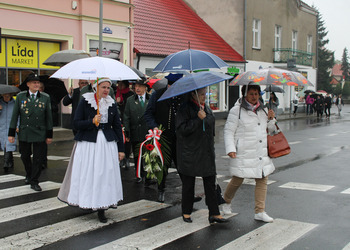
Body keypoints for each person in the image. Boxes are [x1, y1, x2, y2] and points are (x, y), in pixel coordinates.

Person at [58, 78, 125, 223]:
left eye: (108, 88)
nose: (106, 90)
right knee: (89, 174)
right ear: (96, 88)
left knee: (104, 175)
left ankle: (102, 208)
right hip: (88, 144)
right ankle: (88, 201)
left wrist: (121, 149)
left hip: (107, 144)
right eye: (103, 87)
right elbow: (75, 123)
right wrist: (91, 121)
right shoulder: (85, 101)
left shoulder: (111, 103)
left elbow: (118, 127)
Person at [221, 84, 276, 223]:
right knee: (238, 179)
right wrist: (231, 148)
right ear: (245, 94)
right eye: (251, 94)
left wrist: (271, 119)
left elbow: (271, 130)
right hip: (243, 151)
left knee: (262, 178)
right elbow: (228, 131)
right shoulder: (237, 110)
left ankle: (260, 211)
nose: (254, 97)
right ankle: (225, 201)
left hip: (260, 152)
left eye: (256, 94)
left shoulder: (263, 110)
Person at [176, 87, 228, 224]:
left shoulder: (206, 108)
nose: (205, 96)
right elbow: (182, 130)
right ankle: (186, 212)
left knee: (210, 182)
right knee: (189, 184)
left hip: (206, 151)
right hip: (190, 152)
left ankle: (214, 213)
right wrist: (198, 120)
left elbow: (210, 126)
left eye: (205, 94)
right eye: (202, 94)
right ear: (193, 94)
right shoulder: (184, 109)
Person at [144, 73, 187, 202]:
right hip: (163, 137)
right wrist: (154, 127)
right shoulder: (158, 94)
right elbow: (148, 114)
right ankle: (161, 190)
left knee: (183, 166)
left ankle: (188, 192)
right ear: (168, 84)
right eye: (172, 86)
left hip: (180, 137)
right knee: (163, 165)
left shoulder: (185, 95)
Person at [8, 73, 53, 191]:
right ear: (28, 84)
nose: (37, 84)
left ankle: (34, 181)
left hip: (40, 132)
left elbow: (49, 117)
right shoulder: (21, 97)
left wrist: (49, 135)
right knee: (25, 156)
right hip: (25, 132)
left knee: (38, 158)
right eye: (34, 82)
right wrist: (11, 133)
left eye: (38, 82)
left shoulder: (45, 97)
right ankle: (29, 174)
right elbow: (14, 115)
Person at [123, 81, 152, 184]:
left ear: (145, 87)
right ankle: (139, 174)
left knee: (149, 154)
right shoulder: (130, 100)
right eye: (136, 86)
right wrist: (127, 132)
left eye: (140, 86)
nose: (137, 88)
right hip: (136, 131)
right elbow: (126, 117)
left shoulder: (151, 99)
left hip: (148, 132)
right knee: (137, 155)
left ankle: (149, 175)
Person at [115, 80, 134, 169]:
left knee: (127, 139)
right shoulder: (116, 93)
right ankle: (120, 158)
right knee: (119, 138)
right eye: (119, 84)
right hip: (118, 118)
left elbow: (128, 106)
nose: (119, 86)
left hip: (126, 118)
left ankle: (126, 157)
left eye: (121, 84)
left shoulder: (130, 94)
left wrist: (120, 102)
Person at [0, 93, 17, 172]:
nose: (6, 98)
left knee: (8, 144)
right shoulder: (0, 103)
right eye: (4, 96)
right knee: (4, 144)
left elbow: (18, 115)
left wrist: (18, 125)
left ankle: (6, 163)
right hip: (2, 127)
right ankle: (10, 161)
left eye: (7, 96)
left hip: (11, 127)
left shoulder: (15, 103)